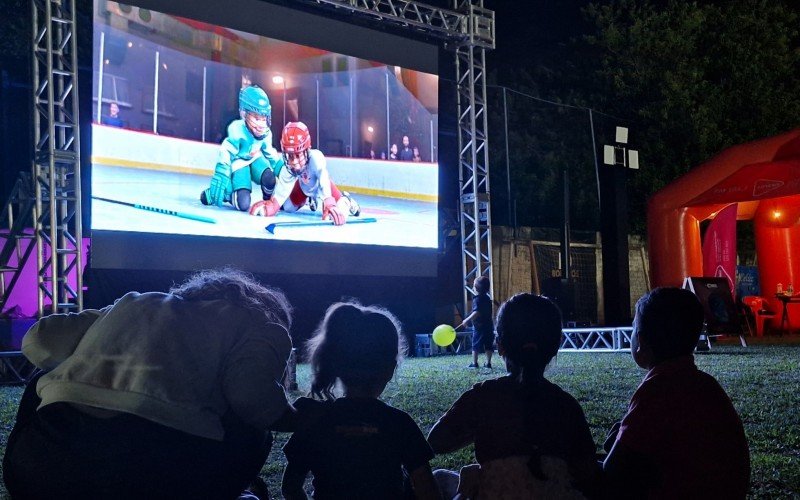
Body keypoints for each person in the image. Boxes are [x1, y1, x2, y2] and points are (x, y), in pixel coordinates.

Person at [3, 268, 294, 499]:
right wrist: (300, 418)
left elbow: (38, 340)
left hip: (39, 469)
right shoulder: (260, 322)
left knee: (43, 379)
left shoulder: (135, 302)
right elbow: (252, 401)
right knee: (253, 428)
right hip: (162, 478)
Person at [428, 294, 599, 499]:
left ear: (499, 345)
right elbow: (587, 470)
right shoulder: (566, 405)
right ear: (555, 346)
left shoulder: (483, 397)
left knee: (440, 478)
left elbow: (436, 441)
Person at [281, 302, 441, 500]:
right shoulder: (399, 423)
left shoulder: (313, 420)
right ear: (390, 368)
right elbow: (427, 489)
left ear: (335, 362)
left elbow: (290, 487)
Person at [603, 287, 750, 498]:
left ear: (641, 342)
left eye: (634, 328)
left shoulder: (655, 390)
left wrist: (616, 446)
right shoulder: (706, 385)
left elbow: (613, 472)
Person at [249, 121, 360, 226]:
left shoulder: (316, 158)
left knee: (336, 214)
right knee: (287, 208)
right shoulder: (287, 168)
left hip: (320, 188)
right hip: (304, 188)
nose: (294, 162)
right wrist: (271, 206)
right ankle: (310, 199)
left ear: (307, 150)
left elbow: (324, 181)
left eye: (298, 155)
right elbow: (280, 196)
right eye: (290, 156)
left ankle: (346, 200)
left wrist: (329, 203)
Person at [200, 85, 283, 212]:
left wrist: (283, 171)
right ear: (244, 114)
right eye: (256, 117)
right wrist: (223, 170)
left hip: (255, 159)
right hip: (239, 163)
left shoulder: (266, 134)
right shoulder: (236, 129)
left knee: (269, 179)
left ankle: (267, 199)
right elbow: (226, 150)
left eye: (263, 117)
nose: (261, 124)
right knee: (243, 204)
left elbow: (270, 153)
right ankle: (227, 194)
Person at [456, 276, 494, 368]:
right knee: (488, 344)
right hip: (489, 325)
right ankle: (488, 363)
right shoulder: (488, 299)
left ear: (476, 288)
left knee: (475, 344)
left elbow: (477, 312)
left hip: (479, 327)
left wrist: (466, 320)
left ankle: (474, 363)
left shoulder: (477, 299)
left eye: (473, 285)